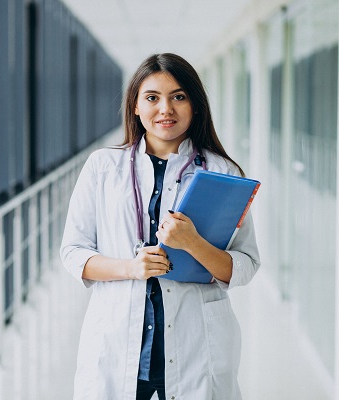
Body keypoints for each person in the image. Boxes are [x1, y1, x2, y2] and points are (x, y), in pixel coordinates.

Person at [60, 53, 260, 400]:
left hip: (197, 344)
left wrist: (192, 243)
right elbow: (74, 253)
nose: (165, 108)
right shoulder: (103, 167)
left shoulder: (223, 172)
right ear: (135, 107)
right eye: (152, 97)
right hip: (118, 343)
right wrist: (132, 268)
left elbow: (244, 265)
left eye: (178, 97)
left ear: (195, 106)